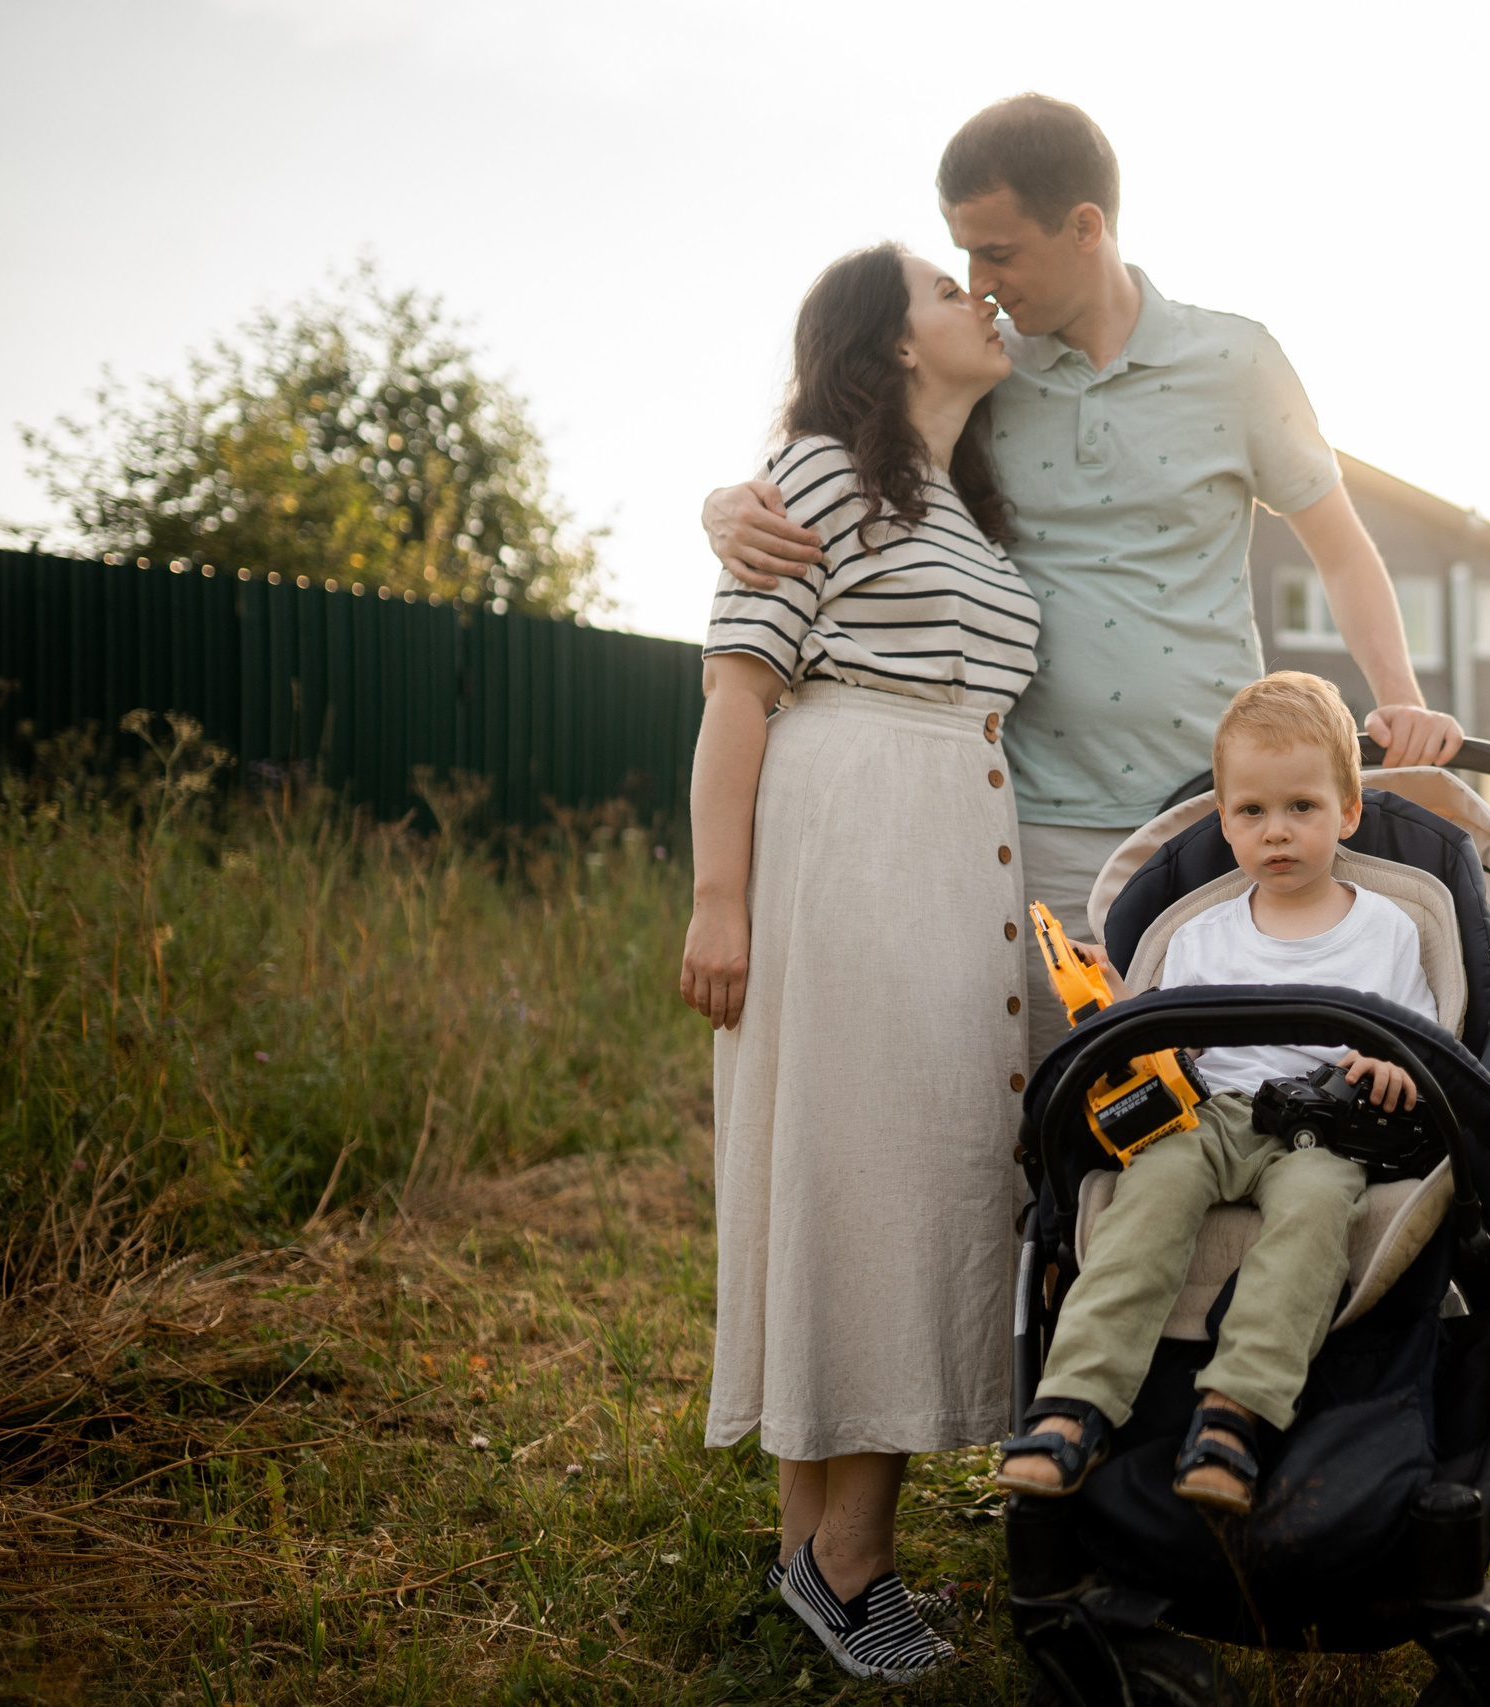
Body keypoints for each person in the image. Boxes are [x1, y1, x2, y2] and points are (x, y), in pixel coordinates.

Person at [701, 95, 1463, 1070]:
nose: (978, 285)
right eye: (962, 257)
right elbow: (858, 442)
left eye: (998, 253)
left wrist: (1399, 697)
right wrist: (727, 502)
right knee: (1054, 1123)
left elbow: (1343, 550)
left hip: (1214, 817)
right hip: (1031, 824)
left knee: (1228, 1096)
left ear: (1085, 227)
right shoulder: (984, 371)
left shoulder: (1237, 361)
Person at [678, 241, 1036, 1683]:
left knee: (894, 1173)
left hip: (951, 862)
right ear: (887, 345)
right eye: (948, 295)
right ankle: (847, 1557)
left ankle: (811, 1552)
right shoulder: (818, 473)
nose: (979, 303)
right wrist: (718, 898)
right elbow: (735, 690)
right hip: (847, 864)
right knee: (870, 1176)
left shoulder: (958, 500)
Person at [992, 672, 1439, 1517]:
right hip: (1206, 1115)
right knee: (1148, 1196)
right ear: (1224, 820)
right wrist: (1127, 1010)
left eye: (1303, 808)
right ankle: (1073, 1402)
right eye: (1252, 813)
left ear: (1349, 811)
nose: (1278, 832)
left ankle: (1234, 1412)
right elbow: (1166, 1043)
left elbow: (1422, 1043)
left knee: (1313, 1218)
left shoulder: (1389, 926)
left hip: (1323, 1126)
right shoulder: (1199, 933)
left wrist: (1395, 1069)